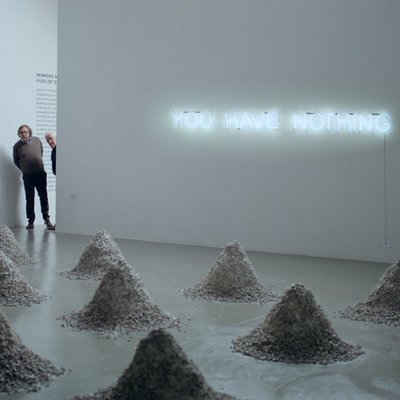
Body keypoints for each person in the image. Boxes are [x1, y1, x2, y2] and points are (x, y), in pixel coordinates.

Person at [13, 124, 55, 230]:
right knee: (29, 199)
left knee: (43, 197)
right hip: (28, 176)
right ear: (19, 134)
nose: (24, 134)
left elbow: (40, 153)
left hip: (40, 174)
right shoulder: (16, 146)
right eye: (21, 132)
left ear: (29, 132)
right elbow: (16, 161)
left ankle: (46, 219)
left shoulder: (37, 140)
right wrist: (25, 169)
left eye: (25, 132)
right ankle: (30, 221)